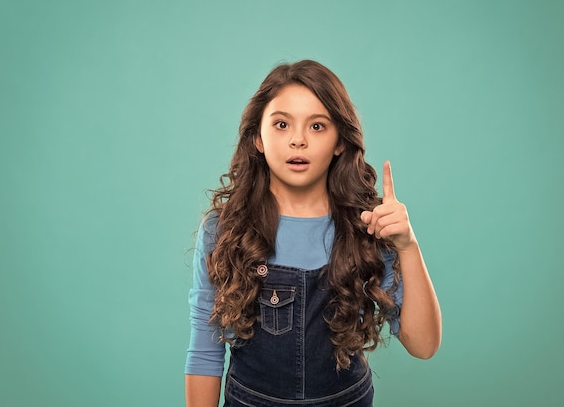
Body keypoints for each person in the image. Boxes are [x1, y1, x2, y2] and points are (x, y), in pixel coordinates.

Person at [185, 60, 441, 407]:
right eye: (281, 124)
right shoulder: (224, 230)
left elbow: (424, 345)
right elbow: (205, 349)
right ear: (257, 138)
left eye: (317, 126)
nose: (298, 140)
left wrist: (408, 246)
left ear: (339, 142)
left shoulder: (368, 225)